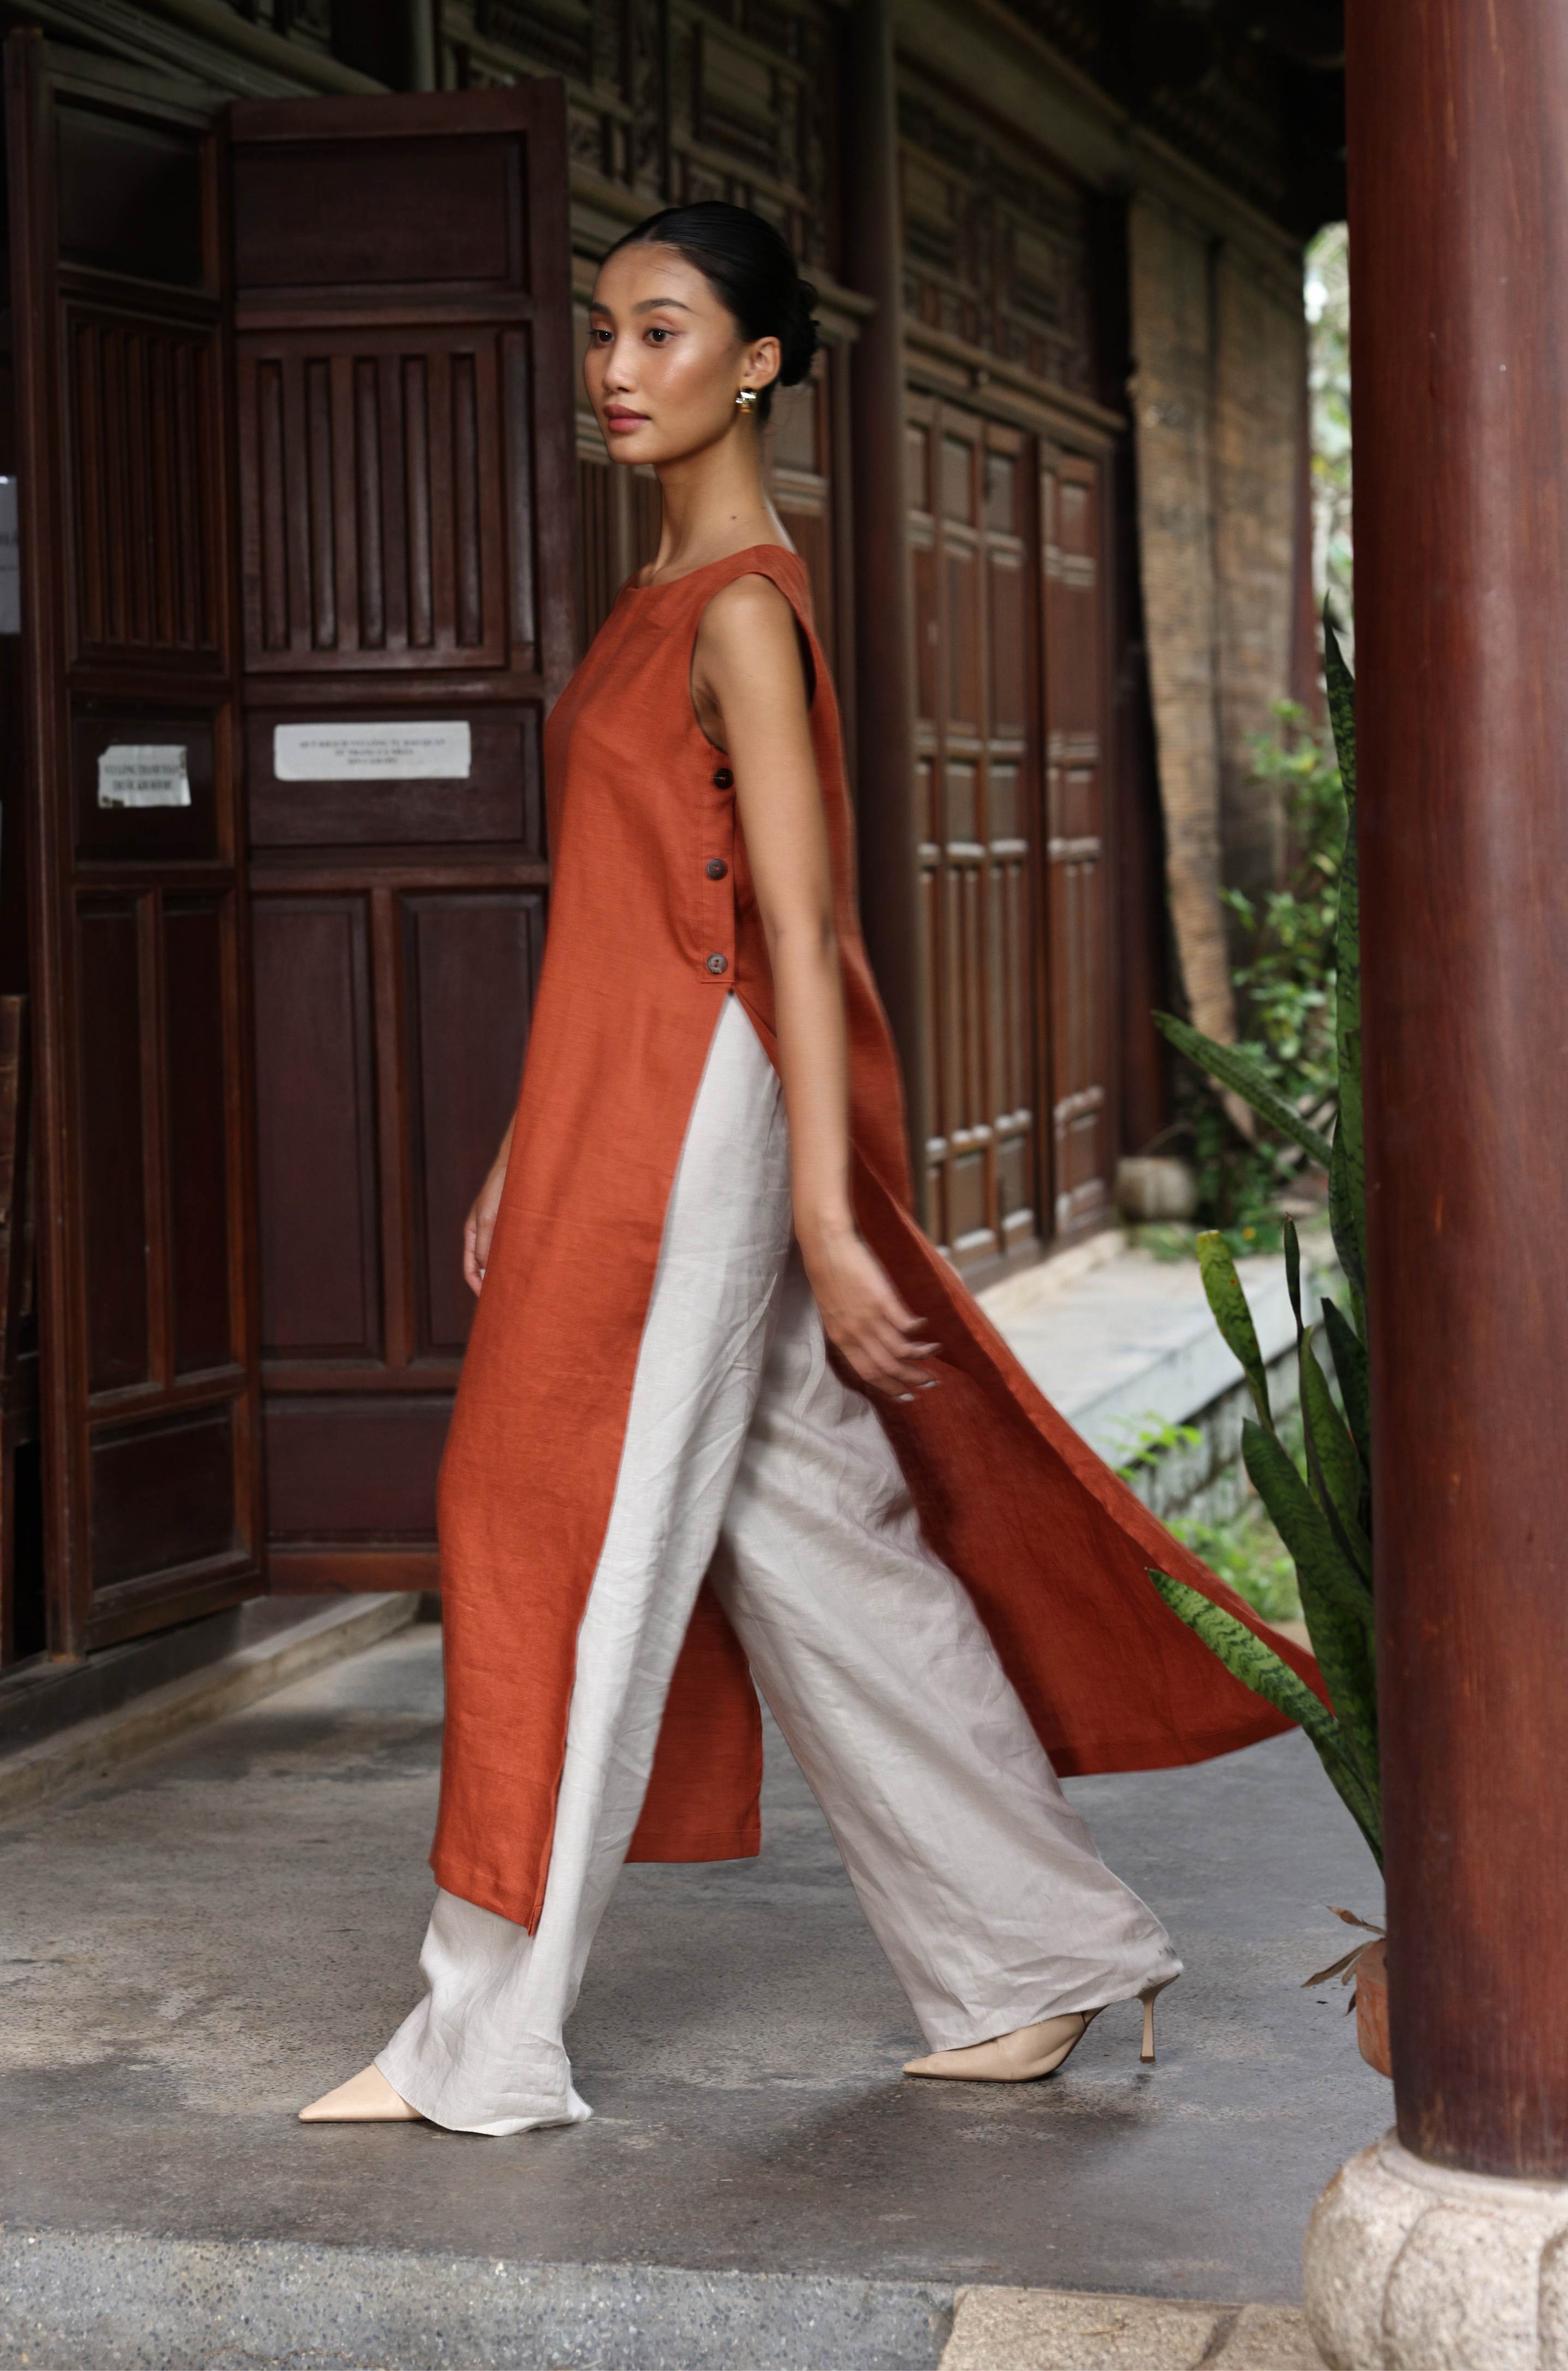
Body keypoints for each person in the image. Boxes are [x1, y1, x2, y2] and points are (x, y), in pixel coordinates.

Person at [299, 203, 1315, 2136]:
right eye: (601, 328)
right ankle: (1046, 1955)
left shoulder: (747, 608)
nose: (614, 366)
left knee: (564, 1519)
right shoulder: (651, 595)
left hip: (707, 1105)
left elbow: (796, 915)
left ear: (755, 361)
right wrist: (526, 1130)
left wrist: (831, 1227)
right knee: (815, 1536)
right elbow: (613, 904)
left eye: (661, 331)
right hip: (620, 1092)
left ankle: (483, 2035)